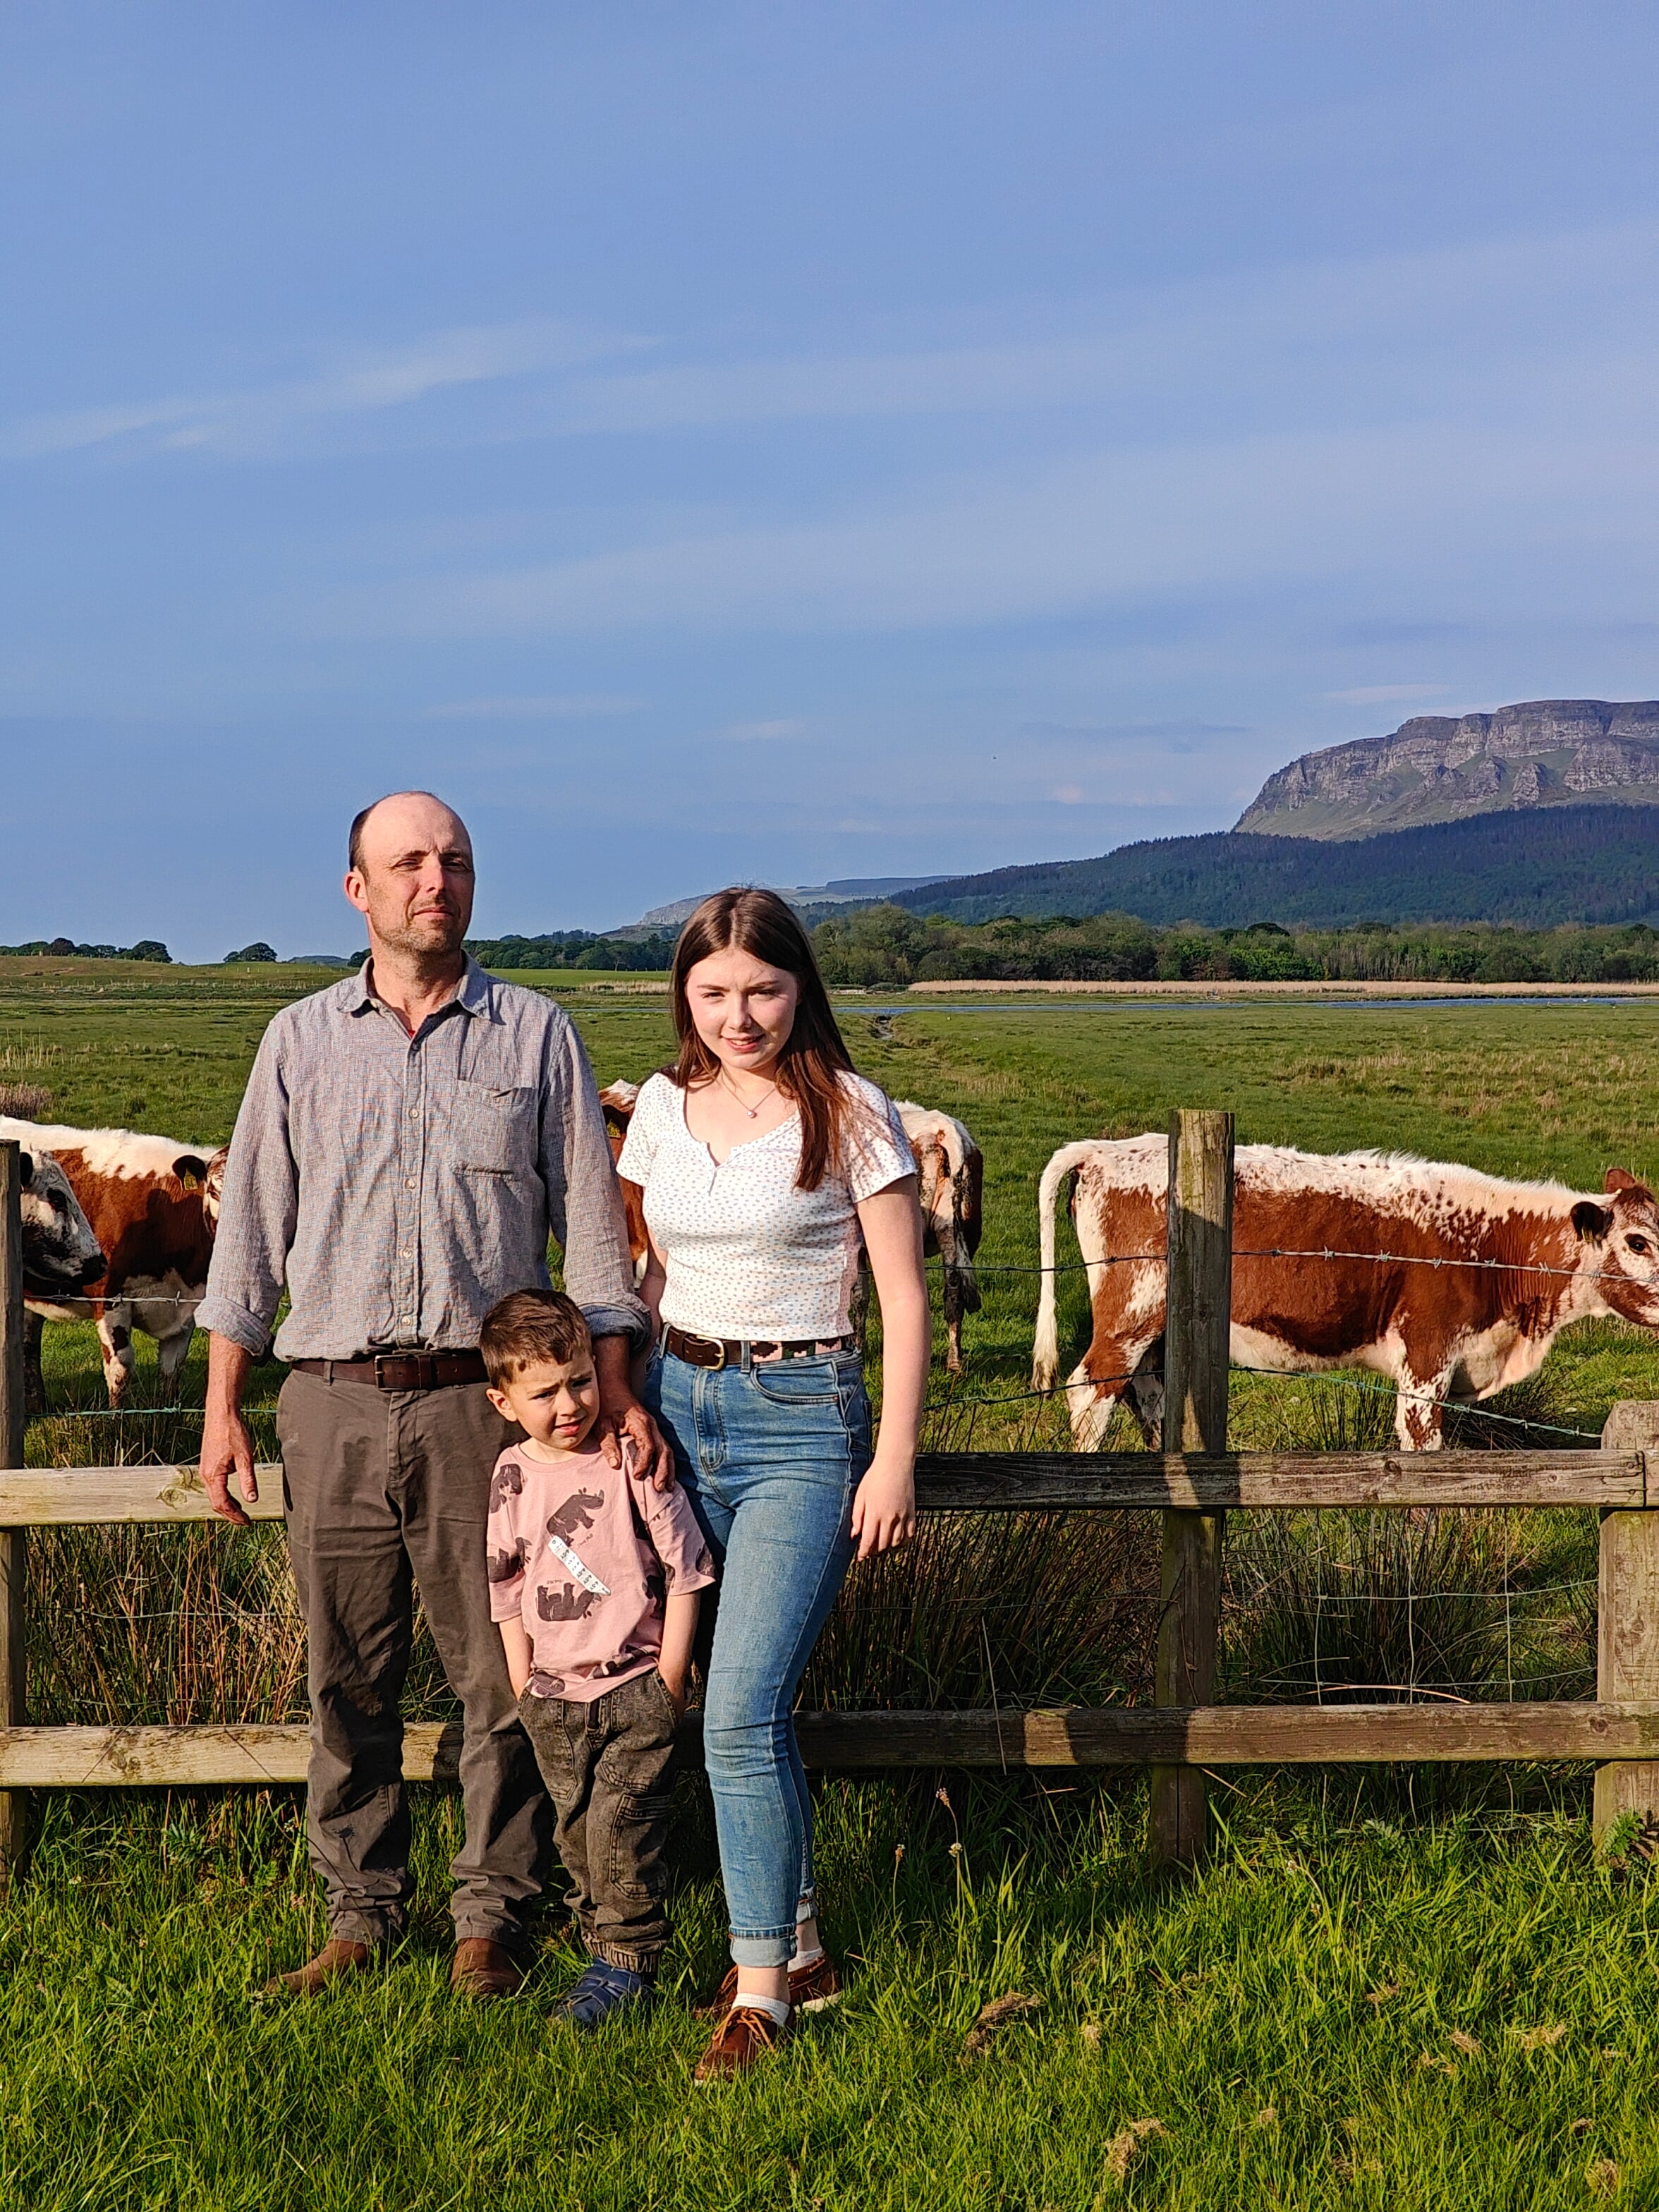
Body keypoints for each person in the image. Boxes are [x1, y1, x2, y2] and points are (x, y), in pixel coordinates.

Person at [195, 789, 662, 1999]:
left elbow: (595, 1241)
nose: (433, 880)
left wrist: (608, 1395)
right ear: (357, 889)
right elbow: (247, 1237)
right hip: (333, 1397)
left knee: (498, 1669)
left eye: (453, 860)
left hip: (483, 1409)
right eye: (406, 863)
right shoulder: (297, 1041)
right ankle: (358, 1908)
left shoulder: (536, 1035)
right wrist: (223, 1406)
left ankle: (490, 1916)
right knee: (344, 1668)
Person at [616, 887, 929, 2082]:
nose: (738, 1015)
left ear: (800, 988)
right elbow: (653, 1270)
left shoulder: (850, 1111)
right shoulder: (658, 1105)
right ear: (683, 996)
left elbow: (902, 1296)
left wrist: (889, 1454)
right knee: (722, 1705)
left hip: (804, 1420)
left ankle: (758, 2001)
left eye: (762, 989)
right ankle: (798, 1948)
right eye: (712, 992)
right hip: (678, 1408)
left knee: (740, 1709)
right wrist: (629, 1403)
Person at [480, 1288, 715, 2027]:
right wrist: (524, 1684)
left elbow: (688, 1569)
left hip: (634, 1685)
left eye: (580, 1379)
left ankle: (627, 1966)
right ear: (503, 1400)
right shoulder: (512, 1475)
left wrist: (670, 1681)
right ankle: (598, 1940)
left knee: (623, 1823)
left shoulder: (627, 1460)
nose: (569, 1403)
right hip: (553, 1695)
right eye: (543, 1392)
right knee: (578, 1833)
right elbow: (508, 1584)